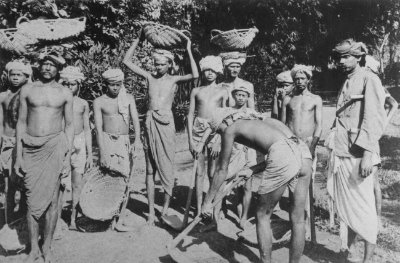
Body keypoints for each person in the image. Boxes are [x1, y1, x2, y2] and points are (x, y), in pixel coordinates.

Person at [201, 108, 313, 263]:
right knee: (298, 219)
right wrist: (252, 169)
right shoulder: (263, 120)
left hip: (284, 155)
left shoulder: (230, 129)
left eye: (218, 131)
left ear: (225, 121)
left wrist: (207, 202)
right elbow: (289, 148)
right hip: (304, 153)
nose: (221, 134)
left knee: (262, 215)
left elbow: (221, 170)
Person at [123, 29, 199, 225]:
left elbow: (195, 73)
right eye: (156, 63)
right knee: (149, 169)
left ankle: (164, 209)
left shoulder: (174, 80)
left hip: (166, 125)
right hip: (150, 124)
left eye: (162, 63)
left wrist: (188, 48)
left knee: (166, 168)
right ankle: (149, 211)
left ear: (169, 64)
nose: (157, 66)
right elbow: (126, 62)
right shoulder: (149, 77)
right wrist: (138, 39)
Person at [326, 39, 387, 262]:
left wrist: (368, 155)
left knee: (365, 208)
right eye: (339, 57)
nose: (341, 61)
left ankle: (368, 258)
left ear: (358, 57)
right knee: (349, 209)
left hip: (359, 153)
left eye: (346, 57)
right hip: (343, 150)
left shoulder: (370, 79)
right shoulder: (348, 80)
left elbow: (374, 118)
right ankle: (351, 252)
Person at [14, 52, 73, 263]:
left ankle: (47, 246)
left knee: (52, 202)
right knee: (30, 199)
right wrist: (18, 157)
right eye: (45, 64)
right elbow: (21, 123)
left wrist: (67, 157)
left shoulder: (65, 93)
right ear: (39, 67)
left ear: (58, 69)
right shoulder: (28, 90)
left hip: (54, 147)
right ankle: (33, 249)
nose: (48, 68)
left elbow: (69, 125)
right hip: (31, 148)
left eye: (52, 65)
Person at [281, 64, 322, 239]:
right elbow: (282, 124)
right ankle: (297, 227)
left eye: (303, 78)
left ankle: (306, 226)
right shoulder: (288, 99)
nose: (299, 81)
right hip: (291, 145)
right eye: (296, 79)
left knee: (306, 184)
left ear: (308, 79)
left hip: (308, 145)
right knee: (292, 185)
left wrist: (312, 146)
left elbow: (319, 124)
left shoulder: (316, 99)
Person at [186, 55, 228, 215]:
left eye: (213, 70)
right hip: (197, 130)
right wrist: (190, 140)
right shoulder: (196, 91)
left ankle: (210, 208)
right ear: (203, 71)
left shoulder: (223, 92)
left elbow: (225, 117)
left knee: (213, 172)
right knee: (199, 171)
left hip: (215, 132)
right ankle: (198, 210)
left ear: (218, 72)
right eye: (207, 70)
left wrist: (218, 141)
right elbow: (190, 115)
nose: (209, 73)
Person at [364, 55, 398, 230]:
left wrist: (383, 122)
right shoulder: (362, 83)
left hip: (372, 138)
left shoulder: (376, 83)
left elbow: (393, 103)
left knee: (374, 181)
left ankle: (377, 218)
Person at [59, 66, 93, 230]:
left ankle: (73, 218)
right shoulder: (57, 102)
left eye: (72, 84)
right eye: (66, 84)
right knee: (59, 184)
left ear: (79, 85)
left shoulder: (83, 104)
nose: (69, 87)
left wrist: (90, 154)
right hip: (62, 142)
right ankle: (57, 220)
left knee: (77, 183)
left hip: (79, 144)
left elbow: (87, 129)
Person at [0, 61, 32, 219]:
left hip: (25, 143)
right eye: (12, 74)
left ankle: (23, 221)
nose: (15, 78)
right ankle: (9, 221)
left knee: (26, 184)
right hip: (8, 142)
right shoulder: (3, 97)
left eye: (19, 75)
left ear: (26, 77)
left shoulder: (30, 96)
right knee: (9, 186)